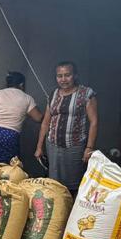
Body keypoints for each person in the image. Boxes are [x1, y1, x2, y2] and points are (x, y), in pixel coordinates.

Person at [35, 61, 98, 193]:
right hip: (52, 144)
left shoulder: (86, 94)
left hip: (74, 145)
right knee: (54, 181)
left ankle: (71, 210)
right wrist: (39, 147)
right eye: (60, 76)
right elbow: (46, 122)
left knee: (74, 182)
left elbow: (94, 121)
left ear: (75, 75)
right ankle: (59, 209)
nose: (63, 79)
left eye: (67, 75)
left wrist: (89, 148)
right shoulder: (53, 95)